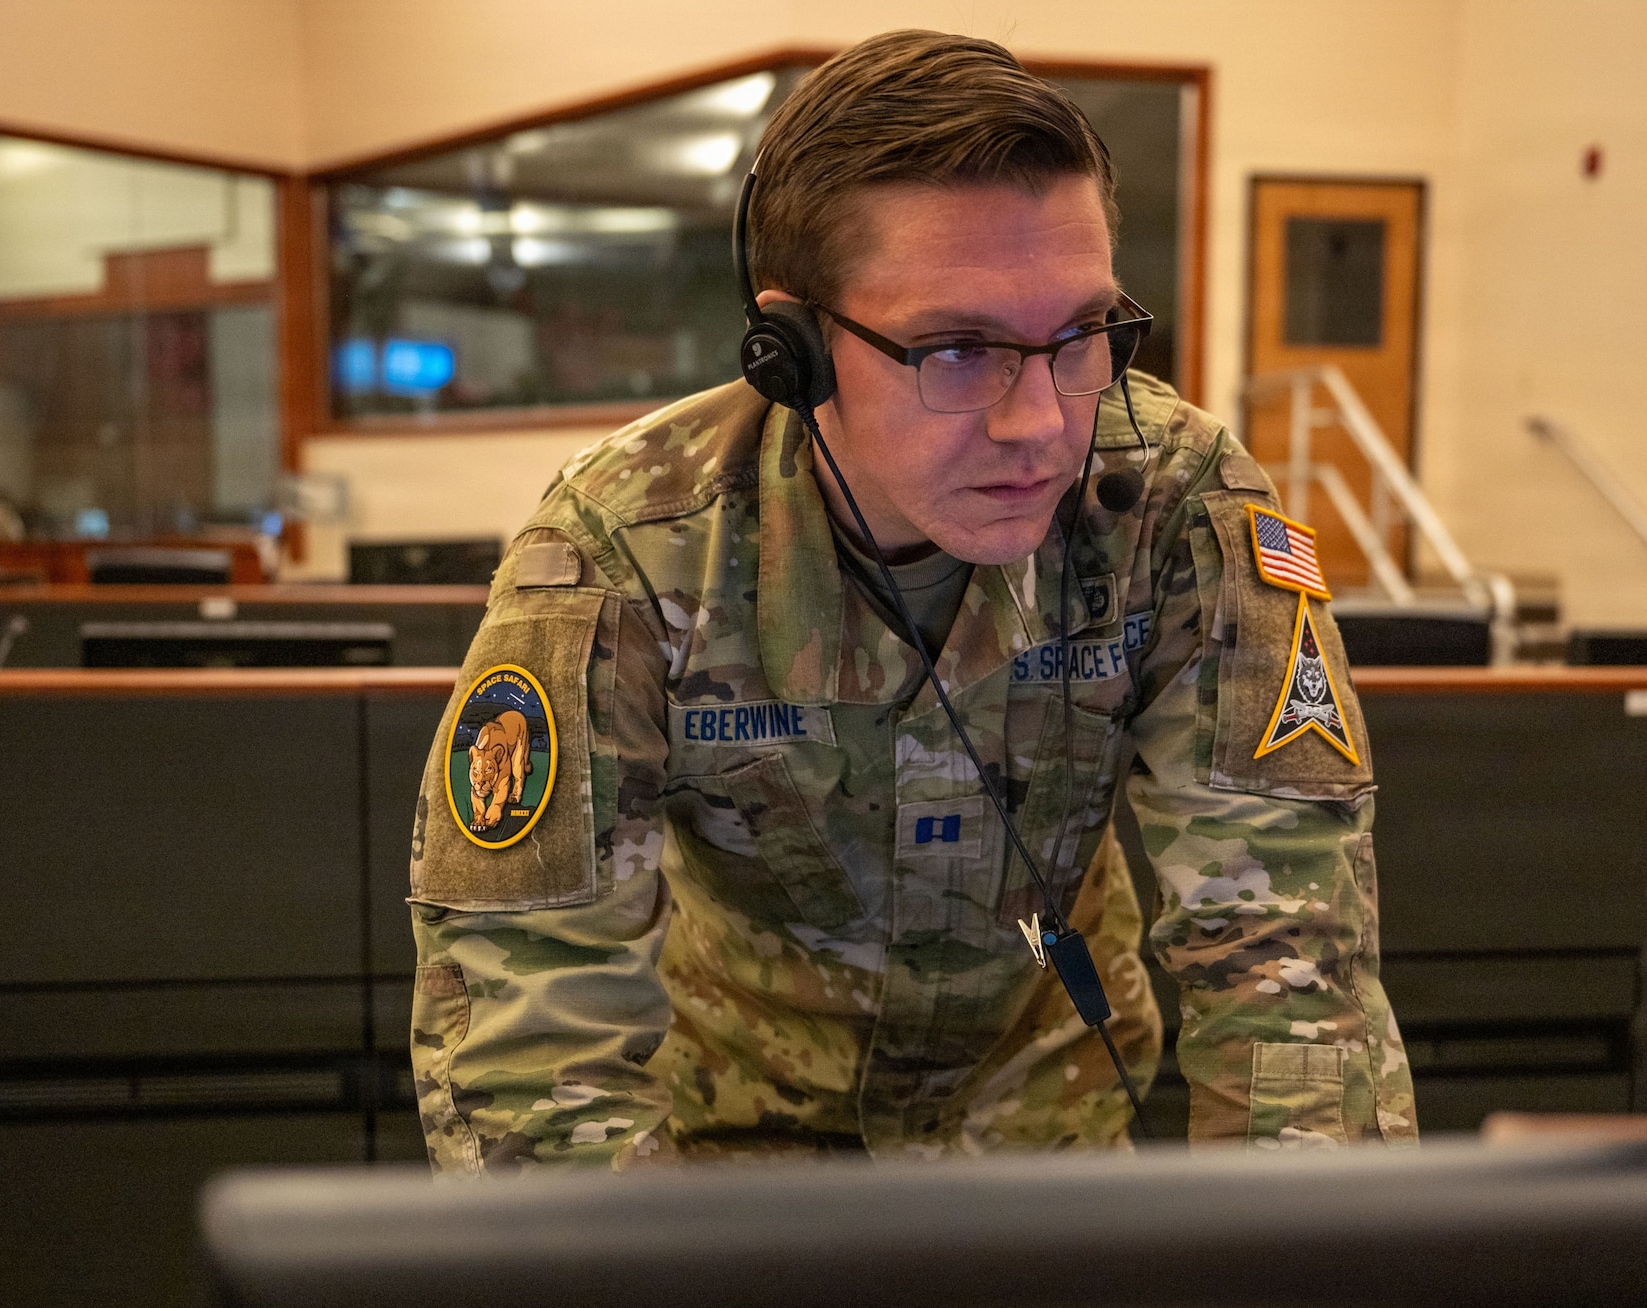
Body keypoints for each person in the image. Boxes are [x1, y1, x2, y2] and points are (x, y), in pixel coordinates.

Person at [407, 29, 1417, 1171]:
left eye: (1080, 335)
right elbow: (530, 1031)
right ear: (792, 349)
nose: (1039, 421)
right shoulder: (629, 547)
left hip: (1056, 1152)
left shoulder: (1173, 504)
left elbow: (1292, 971)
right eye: (956, 348)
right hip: (732, 1167)